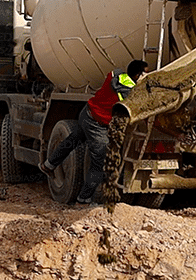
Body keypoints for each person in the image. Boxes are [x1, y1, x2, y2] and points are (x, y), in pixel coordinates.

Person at [40, 60, 148, 203]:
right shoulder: (127, 92)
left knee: (74, 139)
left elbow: (116, 74)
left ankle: (49, 165)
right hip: (96, 124)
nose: (147, 75)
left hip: (87, 112)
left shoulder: (117, 74)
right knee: (99, 162)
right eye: (144, 73)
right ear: (136, 75)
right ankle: (83, 199)